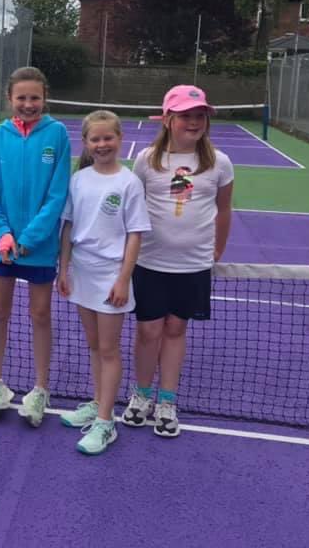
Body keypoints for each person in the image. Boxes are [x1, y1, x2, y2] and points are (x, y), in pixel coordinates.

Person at [122, 85, 234, 437]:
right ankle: (141, 396)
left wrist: (217, 249)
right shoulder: (146, 159)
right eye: (186, 115)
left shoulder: (219, 162)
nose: (195, 121)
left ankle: (167, 401)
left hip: (193, 266)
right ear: (168, 119)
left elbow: (224, 208)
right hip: (150, 263)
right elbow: (131, 207)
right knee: (148, 330)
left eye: (200, 115)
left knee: (175, 329)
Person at [0, 66, 71, 426]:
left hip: (39, 247)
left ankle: (40, 388)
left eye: (35, 97)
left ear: (44, 97)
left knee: (40, 314)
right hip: (2, 246)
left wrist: (30, 238)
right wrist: (2, 232)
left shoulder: (58, 134)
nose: (28, 104)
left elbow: (57, 192)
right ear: (10, 99)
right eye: (22, 98)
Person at [57, 110, 151, 454]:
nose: (101, 144)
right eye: (95, 139)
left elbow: (135, 235)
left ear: (119, 139)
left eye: (107, 138)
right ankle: (99, 403)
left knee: (109, 349)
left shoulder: (129, 183)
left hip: (112, 276)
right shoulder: (78, 179)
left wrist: (123, 279)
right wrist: (63, 268)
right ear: (85, 143)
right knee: (95, 345)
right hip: (81, 272)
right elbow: (67, 227)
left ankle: (106, 421)